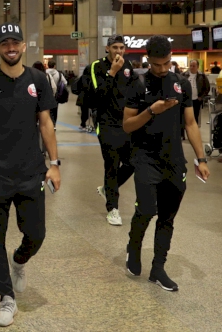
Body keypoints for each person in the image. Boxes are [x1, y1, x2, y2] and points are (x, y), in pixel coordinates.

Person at [0, 23, 60, 327]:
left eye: (15, 43)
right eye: (4, 43)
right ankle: (6, 297)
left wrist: (55, 163)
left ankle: (19, 260)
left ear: (23, 46)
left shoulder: (38, 79)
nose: (10, 47)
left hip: (31, 170)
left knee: (37, 233)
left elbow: (45, 123)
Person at [122, 35, 210, 292]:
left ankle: (158, 268)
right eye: (157, 64)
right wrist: (151, 111)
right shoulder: (137, 84)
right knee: (147, 209)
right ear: (147, 59)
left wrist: (201, 158)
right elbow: (127, 125)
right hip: (145, 158)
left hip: (174, 160)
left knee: (168, 217)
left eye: (166, 63)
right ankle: (133, 247)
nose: (162, 69)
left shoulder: (181, 84)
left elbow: (191, 124)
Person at [85, 34, 138, 226]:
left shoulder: (128, 67)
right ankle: (113, 209)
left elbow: (135, 91)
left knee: (133, 162)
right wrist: (112, 72)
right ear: (107, 48)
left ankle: (108, 189)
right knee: (112, 165)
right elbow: (97, 96)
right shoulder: (96, 67)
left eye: (122, 48)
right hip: (107, 123)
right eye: (115, 47)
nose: (119, 51)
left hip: (126, 122)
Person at [181, 60, 210, 139]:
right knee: (183, 116)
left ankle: (194, 133)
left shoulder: (202, 76)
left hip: (196, 100)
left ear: (197, 66)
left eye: (194, 66)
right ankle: (182, 134)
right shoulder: (183, 75)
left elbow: (207, 88)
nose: (192, 67)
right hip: (185, 100)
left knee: (195, 117)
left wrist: (202, 97)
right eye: (191, 65)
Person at [46, 60, 67, 127]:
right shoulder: (59, 74)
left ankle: (47, 123)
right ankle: (53, 124)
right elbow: (65, 83)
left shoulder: (44, 73)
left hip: (45, 95)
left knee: (46, 110)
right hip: (56, 95)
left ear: (48, 65)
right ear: (54, 66)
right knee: (54, 110)